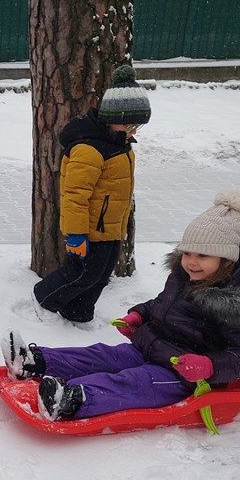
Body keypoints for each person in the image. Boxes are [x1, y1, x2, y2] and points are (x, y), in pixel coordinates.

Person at [4, 191, 240, 420]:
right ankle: (35, 362)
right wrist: (140, 315)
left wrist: (208, 366)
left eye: (203, 256)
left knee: (135, 382)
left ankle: (71, 400)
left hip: (183, 375)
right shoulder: (186, 274)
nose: (191, 262)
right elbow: (163, 304)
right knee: (105, 355)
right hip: (152, 346)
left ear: (226, 259)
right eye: (187, 253)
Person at [33, 64, 150, 323]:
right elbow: (75, 194)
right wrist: (75, 233)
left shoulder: (119, 143)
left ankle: (79, 315)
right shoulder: (89, 148)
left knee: (101, 275)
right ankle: (43, 298)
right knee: (82, 273)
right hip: (90, 229)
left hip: (111, 228)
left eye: (138, 126)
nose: (134, 131)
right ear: (113, 118)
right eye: (131, 124)